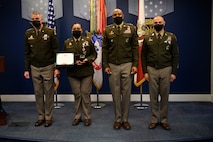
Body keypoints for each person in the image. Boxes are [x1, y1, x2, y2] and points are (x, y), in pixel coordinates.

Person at [102, 8, 138, 130]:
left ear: (123, 16)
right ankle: (118, 119)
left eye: (119, 14)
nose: (117, 16)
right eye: (115, 14)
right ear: (112, 17)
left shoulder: (131, 28)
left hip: (127, 64)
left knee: (126, 93)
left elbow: (134, 48)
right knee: (115, 94)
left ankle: (125, 119)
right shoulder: (108, 30)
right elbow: (105, 50)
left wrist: (135, 65)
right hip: (112, 65)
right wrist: (105, 65)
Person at [142, 16, 179, 130]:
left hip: (166, 69)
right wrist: (145, 72)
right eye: (156, 22)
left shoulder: (171, 37)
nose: (158, 24)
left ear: (164, 23)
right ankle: (154, 120)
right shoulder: (148, 38)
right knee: (153, 96)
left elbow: (175, 55)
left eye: (160, 22)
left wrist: (173, 72)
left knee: (164, 95)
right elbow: (143, 56)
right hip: (151, 69)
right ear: (153, 24)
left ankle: (163, 120)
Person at [24, 11, 60, 127]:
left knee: (49, 92)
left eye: (37, 18)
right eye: (33, 18)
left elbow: (56, 51)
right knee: (38, 93)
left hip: (48, 66)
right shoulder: (28, 33)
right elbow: (27, 53)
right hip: (34, 67)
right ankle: (41, 116)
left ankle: (48, 117)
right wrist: (26, 69)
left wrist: (56, 68)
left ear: (42, 19)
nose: (35, 20)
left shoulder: (49, 32)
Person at [63, 23, 97, 126]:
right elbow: (65, 56)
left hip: (86, 72)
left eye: (78, 28)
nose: (76, 30)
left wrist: (87, 59)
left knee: (85, 94)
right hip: (73, 73)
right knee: (77, 95)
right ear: (71, 30)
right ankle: (77, 116)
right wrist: (69, 62)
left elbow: (94, 54)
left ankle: (87, 117)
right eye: (74, 29)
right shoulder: (67, 43)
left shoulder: (87, 41)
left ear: (81, 30)